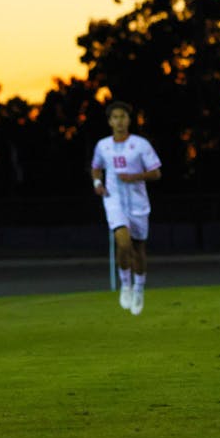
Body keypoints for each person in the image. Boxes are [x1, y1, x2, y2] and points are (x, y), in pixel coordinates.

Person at [91, 101, 162, 316]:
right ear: (110, 121)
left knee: (138, 249)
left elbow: (156, 173)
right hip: (114, 202)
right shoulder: (103, 145)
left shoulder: (141, 144)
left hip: (139, 204)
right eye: (115, 117)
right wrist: (97, 184)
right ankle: (126, 285)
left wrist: (135, 176)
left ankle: (139, 288)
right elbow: (96, 168)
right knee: (123, 243)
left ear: (129, 120)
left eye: (123, 117)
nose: (119, 121)